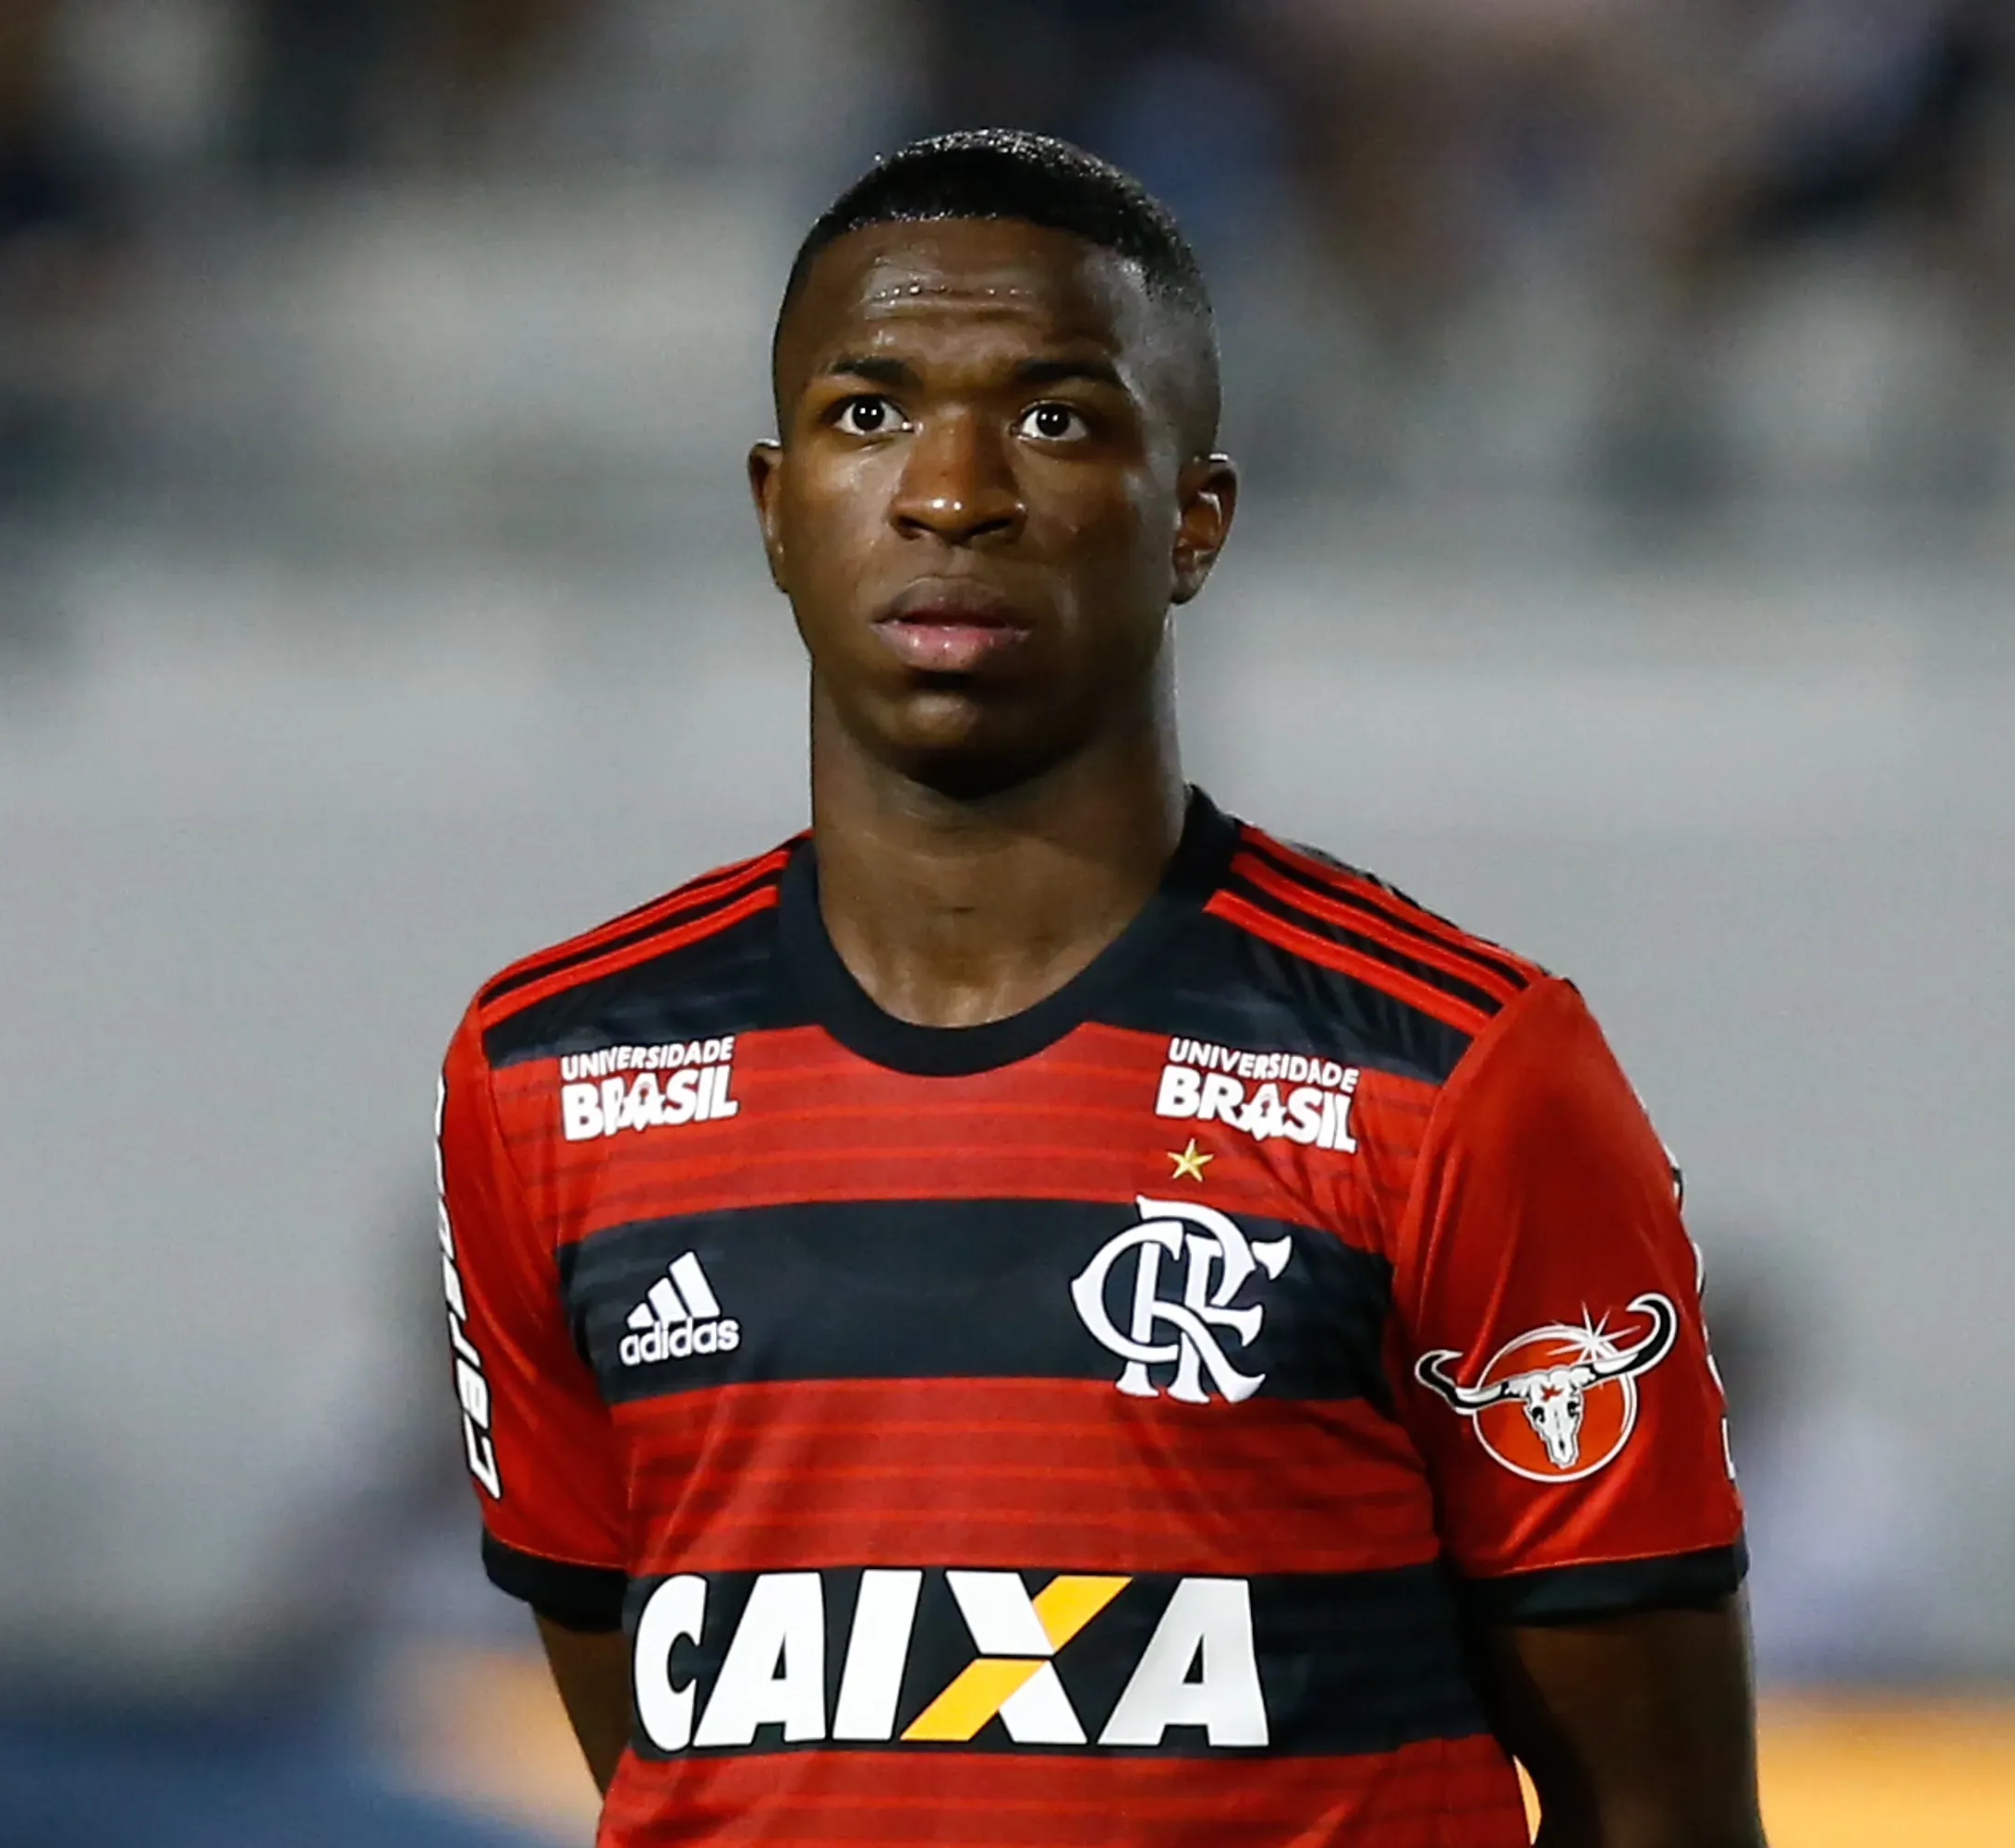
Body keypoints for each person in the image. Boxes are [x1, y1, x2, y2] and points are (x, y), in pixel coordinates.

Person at [431, 129, 1761, 1846]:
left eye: (1054, 419)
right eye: (868, 413)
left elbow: (1656, 1811)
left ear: (1193, 520)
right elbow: (672, 1756)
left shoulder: (1459, 1079)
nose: (950, 492)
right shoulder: (547, 1078)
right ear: (773, 509)